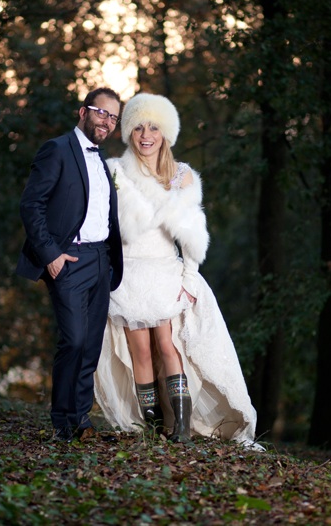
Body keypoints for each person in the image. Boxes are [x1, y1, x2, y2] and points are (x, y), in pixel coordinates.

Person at [93, 93, 261, 449]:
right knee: (140, 352)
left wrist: (188, 279)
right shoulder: (115, 172)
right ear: (128, 132)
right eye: (138, 126)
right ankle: (154, 425)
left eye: (153, 126)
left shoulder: (181, 176)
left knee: (168, 346)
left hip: (165, 273)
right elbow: (104, 227)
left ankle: (181, 428)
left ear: (165, 132)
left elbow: (192, 236)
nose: (145, 134)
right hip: (127, 274)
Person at [17, 87, 124, 443]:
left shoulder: (102, 160)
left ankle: (80, 421)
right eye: (101, 112)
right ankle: (62, 420)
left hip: (100, 260)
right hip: (68, 259)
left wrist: (107, 259)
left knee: (91, 344)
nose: (106, 121)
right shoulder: (58, 149)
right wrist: (50, 255)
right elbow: (32, 205)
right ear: (83, 112)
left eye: (113, 117)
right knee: (74, 340)